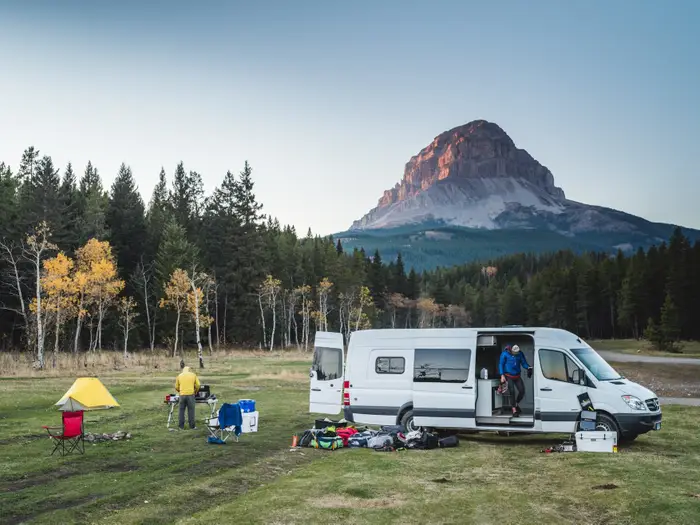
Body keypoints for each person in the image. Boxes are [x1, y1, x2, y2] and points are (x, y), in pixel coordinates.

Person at [499, 344, 533, 417]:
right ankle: (514, 409)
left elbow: (523, 363)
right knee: (512, 391)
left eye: (517, 353)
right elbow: (501, 364)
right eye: (515, 353)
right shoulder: (505, 354)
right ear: (511, 350)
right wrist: (502, 375)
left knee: (522, 390)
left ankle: (516, 403)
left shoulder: (520, 354)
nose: (516, 354)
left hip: (517, 375)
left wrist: (528, 367)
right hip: (508, 375)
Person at [175, 360, 201, 430]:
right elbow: (198, 385)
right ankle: (192, 426)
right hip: (191, 395)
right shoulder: (193, 375)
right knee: (191, 410)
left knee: (181, 411)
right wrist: (195, 391)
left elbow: (176, 387)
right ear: (189, 370)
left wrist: (180, 391)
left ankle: (181, 427)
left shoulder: (179, 376)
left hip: (182, 395)